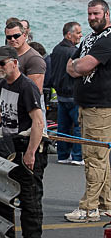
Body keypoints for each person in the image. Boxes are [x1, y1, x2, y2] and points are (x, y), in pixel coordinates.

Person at [0, 45, 47, 238]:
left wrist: (31, 152)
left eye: (2, 63)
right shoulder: (1, 84)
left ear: (14, 63)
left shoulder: (26, 87)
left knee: (29, 195)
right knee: (0, 192)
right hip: (9, 145)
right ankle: (4, 237)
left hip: (27, 144)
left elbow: (38, 121)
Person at [64, 0, 111, 222]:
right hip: (85, 104)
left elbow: (80, 66)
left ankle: (88, 207)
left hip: (100, 107)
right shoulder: (91, 38)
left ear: (107, 14)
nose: (92, 18)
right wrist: (78, 66)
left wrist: (78, 67)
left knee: (94, 157)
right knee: (99, 157)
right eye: (89, 14)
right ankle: (106, 203)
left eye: (96, 14)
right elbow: (70, 65)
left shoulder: (108, 39)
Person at [50, 21, 83, 165]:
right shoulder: (73, 52)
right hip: (72, 93)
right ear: (69, 35)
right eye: (78, 33)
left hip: (60, 93)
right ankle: (77, 155)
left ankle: (62, 154)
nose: (80, 35)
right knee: (78, 125)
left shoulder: (56, 49)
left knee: (63, 126)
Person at [5, 20, 45, 93]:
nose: (12, 39)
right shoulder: (8, 55)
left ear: (24, 35)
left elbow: (35, 92)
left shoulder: (34, 59)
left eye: (16, 36)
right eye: (9, 37)